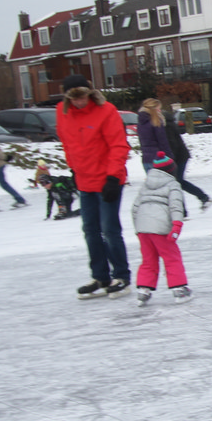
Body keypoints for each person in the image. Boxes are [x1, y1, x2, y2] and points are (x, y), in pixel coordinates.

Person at [57, 75, 131, 298]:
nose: (79, 102)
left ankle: (122, 276)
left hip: (107, 180)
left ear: (90, 94)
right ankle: (100, 276)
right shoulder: (62, 111)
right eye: (75, 99)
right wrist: (73, 169)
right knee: (90, 230)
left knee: (109, 229)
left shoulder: (106, 111)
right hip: (84, 181)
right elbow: (67, 143)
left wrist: (113, 178)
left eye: (83, 97)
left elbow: (119, 145)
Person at [130, 151, 192, 306]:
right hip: (161, 229)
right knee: (171, 257)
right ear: (171, 170)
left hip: (143, 228)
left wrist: (138, 228)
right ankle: (179, 289)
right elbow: (176, 207)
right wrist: (177, 225)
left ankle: (143, 291)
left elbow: (135, 208)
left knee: (148, 259)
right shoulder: (173, 185)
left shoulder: (145, 185)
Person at [161, 108, 212, 211]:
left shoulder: (167, 126)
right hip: (180, 156)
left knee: (177, 183)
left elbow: (173, 143)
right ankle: (203, 198)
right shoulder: (169, 124)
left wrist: (171, 160)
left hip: (179, 157)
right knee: (178, 182)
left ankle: (196, 202)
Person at [135, 98, 168, 172]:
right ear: (154, 109)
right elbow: (163, 142)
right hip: (158, 159)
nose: (160, 111)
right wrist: (170, 156)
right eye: (158, 109)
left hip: (146, 159)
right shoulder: (156, 122)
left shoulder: (140, 123)